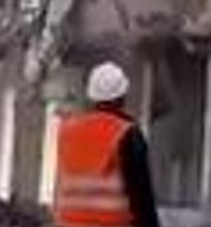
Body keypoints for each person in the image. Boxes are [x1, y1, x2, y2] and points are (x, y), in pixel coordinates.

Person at [55, 62, 161, 227]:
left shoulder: (67, 131)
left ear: (91, 97)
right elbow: (142, 201)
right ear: (122, 97)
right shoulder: (127, 133)